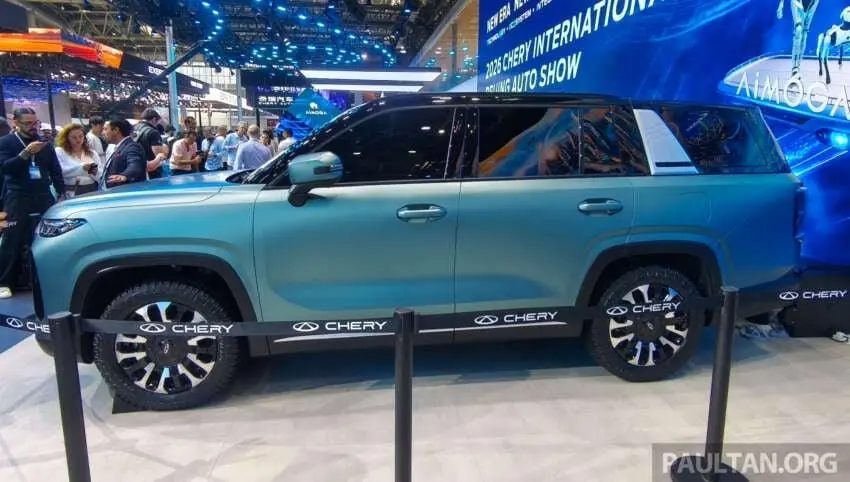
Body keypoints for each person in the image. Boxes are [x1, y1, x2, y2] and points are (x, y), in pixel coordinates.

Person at [0, 107, 66, 299]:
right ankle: (4, 281)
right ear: (16, 123)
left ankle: (50, 278)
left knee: (51, 236)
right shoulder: (6, 143)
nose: (32, 127)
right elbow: (6, 169)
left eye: (34, 123)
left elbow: (55, 170)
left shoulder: (46, 144)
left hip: (43, 194)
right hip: (18, 196)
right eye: (27, 123)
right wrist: (26, 154)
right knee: (12, 239)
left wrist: (61, 192)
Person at [55, 123, 101, 196]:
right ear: (67, 138)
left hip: (92, 188)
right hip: (71, 189)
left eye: (80, 136)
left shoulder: (92, 153)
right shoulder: (60, 151)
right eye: (74, 137)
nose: (78, 139)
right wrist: (82, 168)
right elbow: (60, 171)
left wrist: (92, 170)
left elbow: (100, 174)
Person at [101, 117, 146, 189]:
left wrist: (125, 175)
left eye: (105, 129)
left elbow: (135, 165)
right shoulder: (122, 146)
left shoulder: (132, 147)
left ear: (116, 130)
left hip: (127, 191)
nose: (102, 133)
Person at [134, 109, 168, 178]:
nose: (158, 124)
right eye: (158, 121)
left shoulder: (134, 128)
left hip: (136, 167)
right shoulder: (153, 132)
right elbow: (160, 155)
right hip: (152, 171)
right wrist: (165, 148)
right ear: (154, 119)